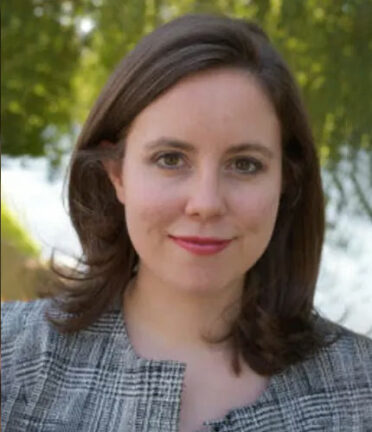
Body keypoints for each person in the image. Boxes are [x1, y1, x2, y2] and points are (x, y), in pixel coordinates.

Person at [2, 13, 371, 432]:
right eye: (170, 159)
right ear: (117, 174)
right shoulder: (10, 360)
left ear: (286, 181)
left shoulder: (362, 391)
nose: (206, 203)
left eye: (245, 164)